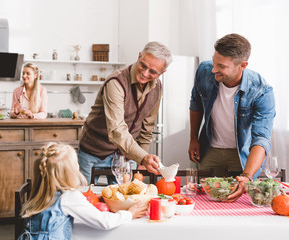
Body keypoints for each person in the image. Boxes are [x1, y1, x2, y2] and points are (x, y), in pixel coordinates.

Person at [188, 33, 276, 202]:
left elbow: (261, 139)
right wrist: (193, 138)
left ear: (242, 65)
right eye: (214, 62)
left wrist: (248, 176)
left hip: (242, 156)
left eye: (221, 66)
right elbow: (196, 103)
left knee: (238, 202)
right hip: (210, 150)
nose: (213, 69)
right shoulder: (204, 72)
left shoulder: (262, 91)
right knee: (205, 200)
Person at [78, 41, 173, 184]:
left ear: (162, 73)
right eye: (143, 65)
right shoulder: (116, 83)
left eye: (153, 72)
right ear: (139, 56)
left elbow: (147, 127)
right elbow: (117, 130)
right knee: (83, 197)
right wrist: (142, 157)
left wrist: (141, 157)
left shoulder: (157, 87)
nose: (145, 73)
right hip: (93, 151)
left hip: (126, 156)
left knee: (125, 199)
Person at [18, 143, 147, 240]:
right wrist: (130, 214)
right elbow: (104, 222)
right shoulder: (68, 197)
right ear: (70, 173)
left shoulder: (40, 192)